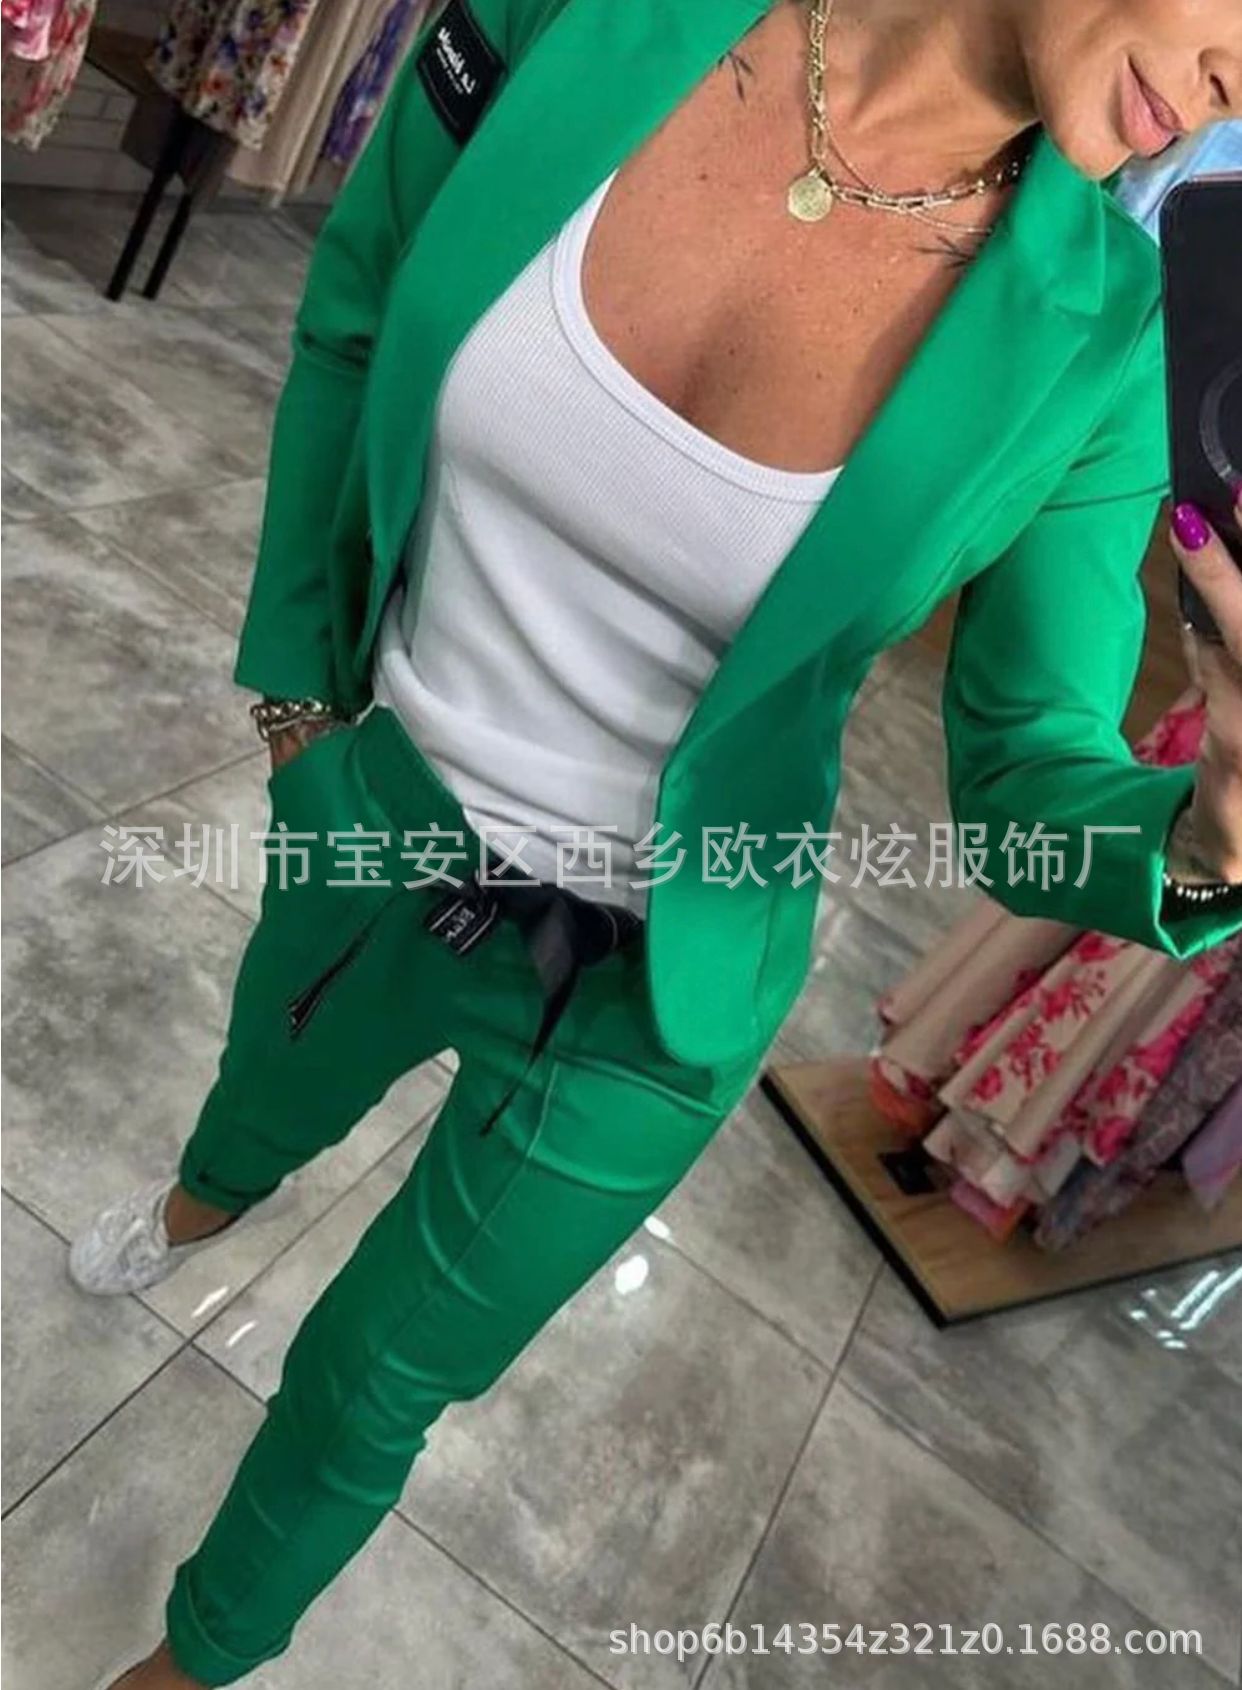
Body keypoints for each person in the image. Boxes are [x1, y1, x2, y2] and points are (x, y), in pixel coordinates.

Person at [72, 2, 1242, 1685]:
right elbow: (356, 315)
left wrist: (1209, 823)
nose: (1234, 88)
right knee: (263, 1082)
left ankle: (194, 1658)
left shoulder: (1101, 333)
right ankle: (203, 1198)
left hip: (657, 988)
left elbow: (1024, 773)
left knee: (372, 1386)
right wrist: (300, 717)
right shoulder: (572, 18)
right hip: (379, 820)